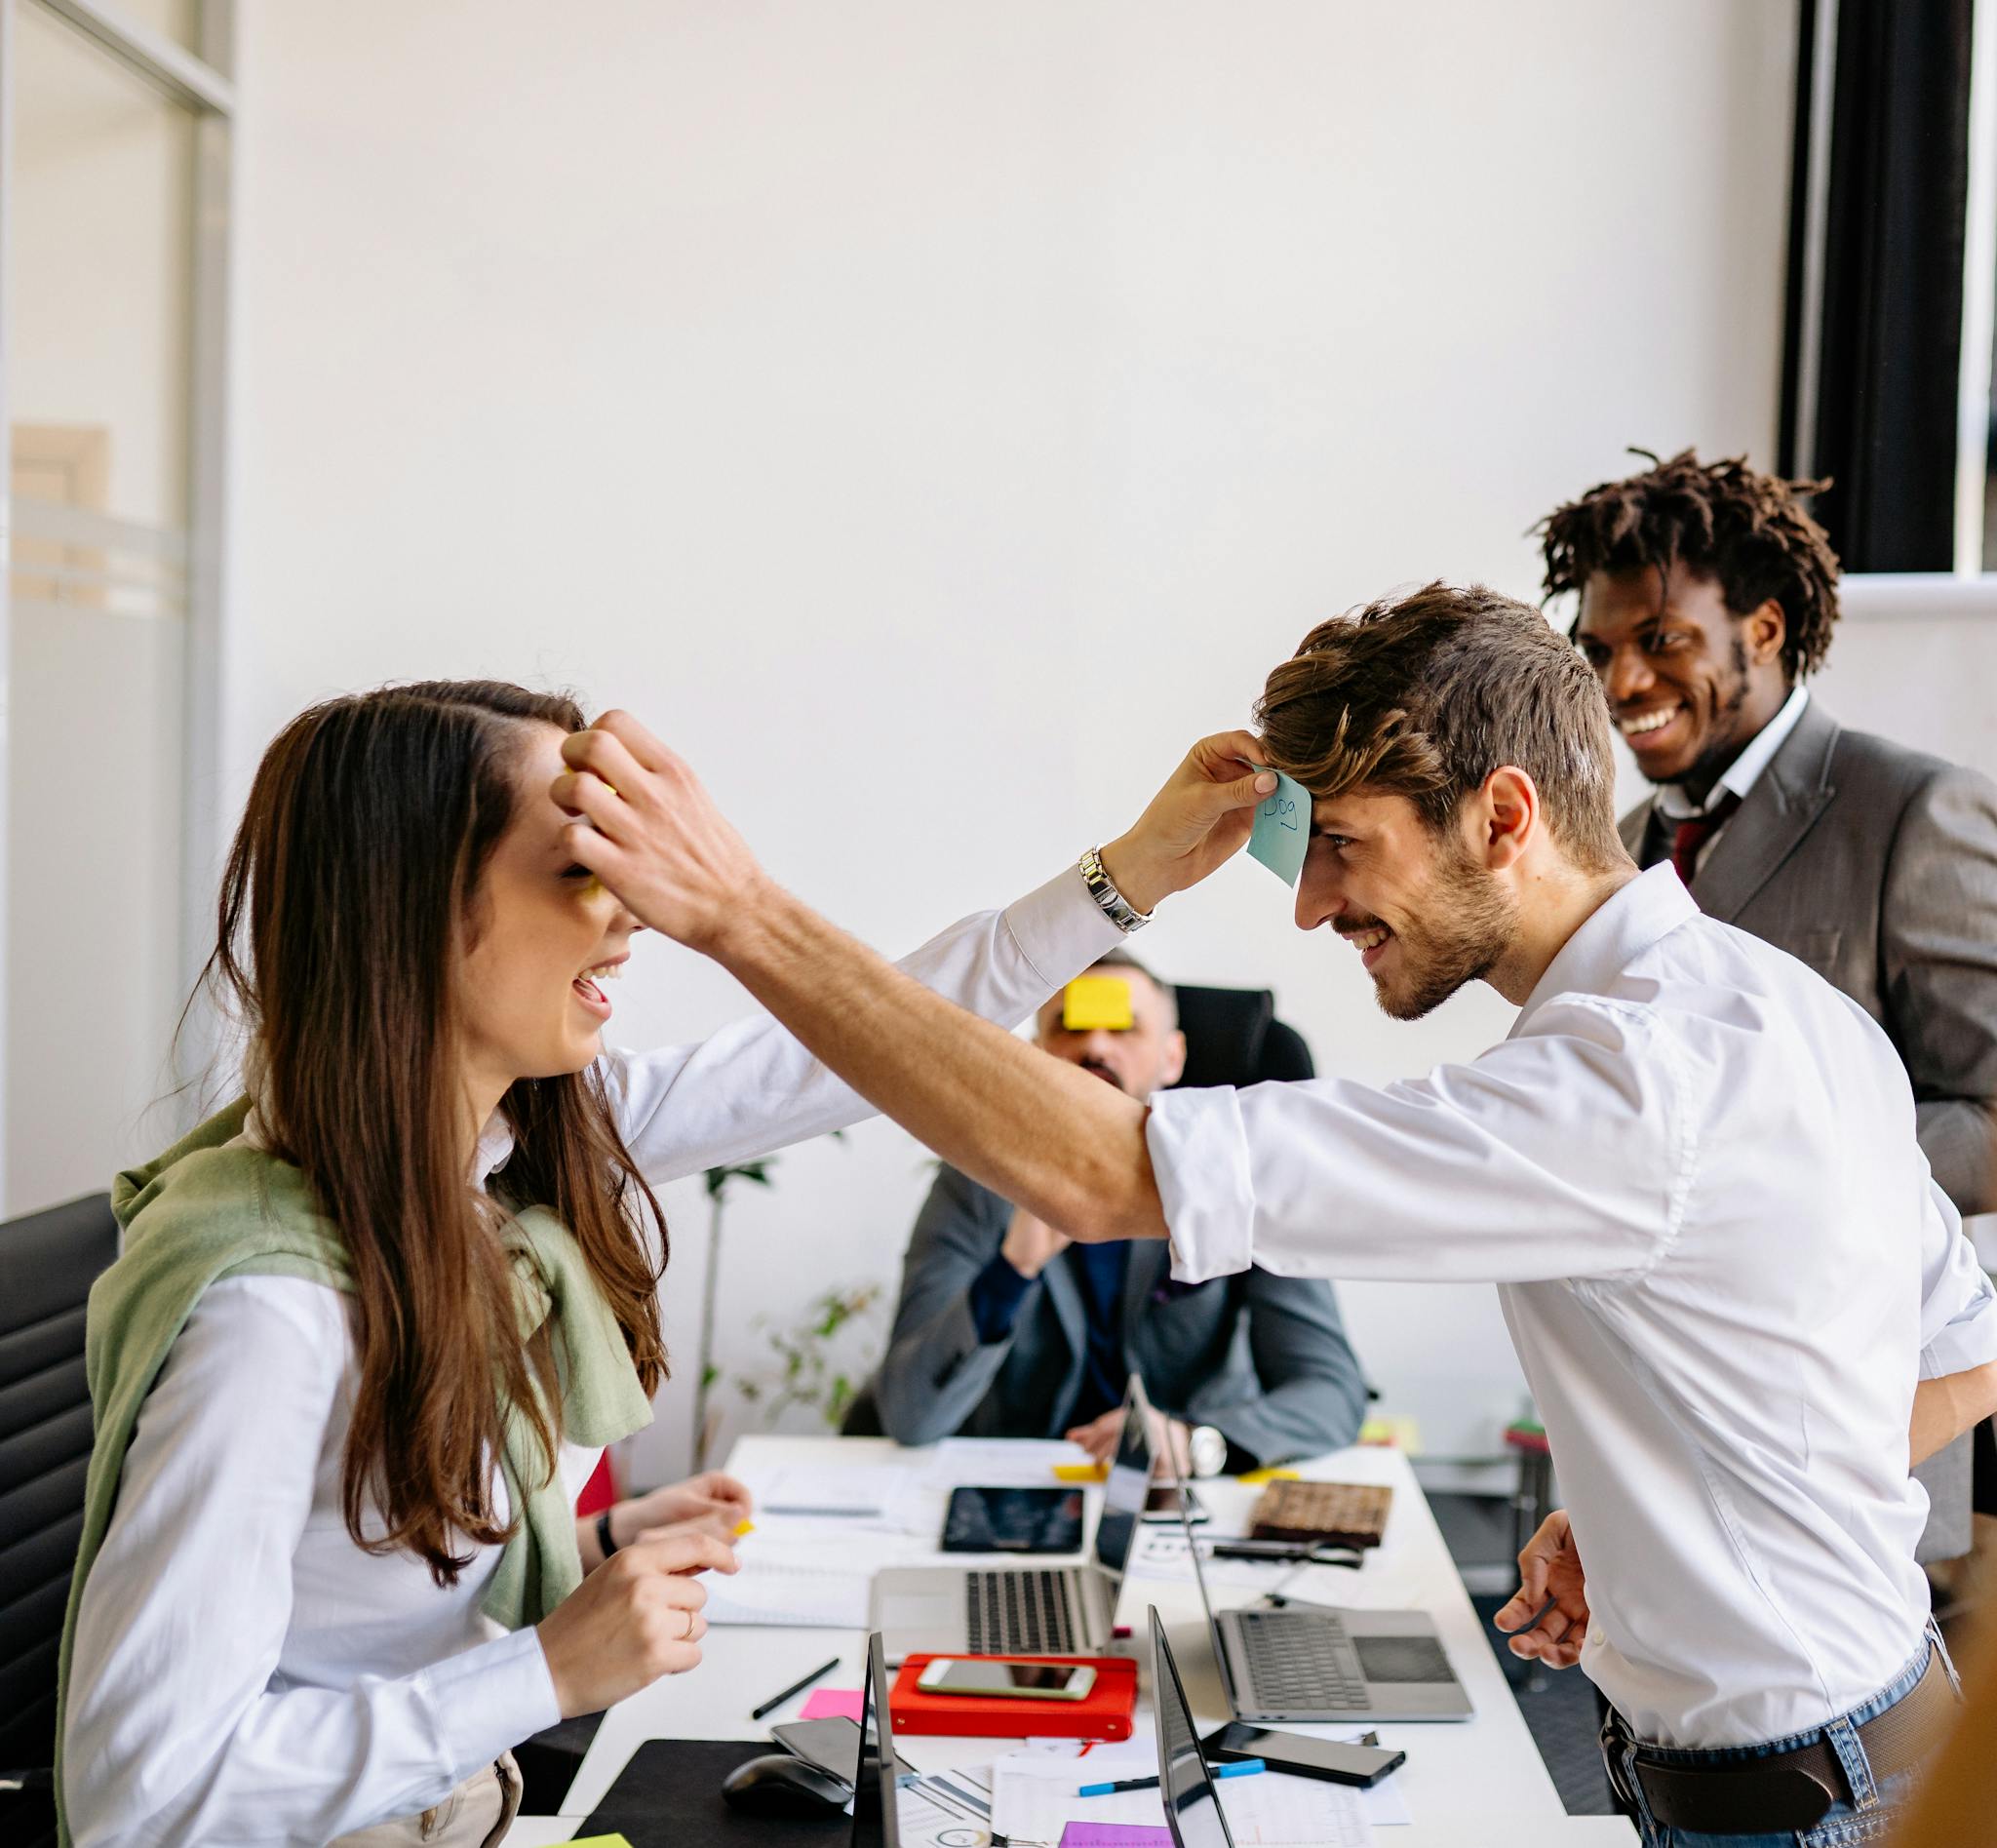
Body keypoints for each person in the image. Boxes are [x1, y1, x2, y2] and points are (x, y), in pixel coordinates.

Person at [553, 590, 1997, 1844]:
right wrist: (1669, 1509)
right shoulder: (1778, 1007)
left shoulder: (1622, 1085)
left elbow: (1104, 1173)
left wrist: (743, 910)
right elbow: (1965, 1344)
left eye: (1340, 845)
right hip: (1843, 1745)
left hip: (1801, 1799)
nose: (1309, 907)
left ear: (1502, 816)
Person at [58, 678, 1191, 1846]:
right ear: (412, 909)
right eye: (578, 870)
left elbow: (849, 1042)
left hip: (468, 1799)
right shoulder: (274, 1309)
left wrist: (1129, 873)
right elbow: (139, 1797)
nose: (631, 918)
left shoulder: (504, 1151)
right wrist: (549, 1665)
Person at [1542, 448, 1997, 1563]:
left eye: (1660, 639)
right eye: (1598, 649)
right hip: (1655, 1457)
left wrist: (1768, 1163)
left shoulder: (1911, 810)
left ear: (1764, 627)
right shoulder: (1624, 848)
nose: (1622, 683)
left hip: (1860, 1460)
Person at [869, 949, 1367, 1470]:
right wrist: (1013, 1268)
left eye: (1123, 1029)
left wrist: (1196, 1441)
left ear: (1172, 1058)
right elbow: (909, 1415)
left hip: (1180, 1487)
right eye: (1070, 1027)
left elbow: (1331, 1394)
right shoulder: (976, 1182)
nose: (1096, 1046)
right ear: (1036, 1057)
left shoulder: (1238, 1182)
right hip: (1028, 1481)